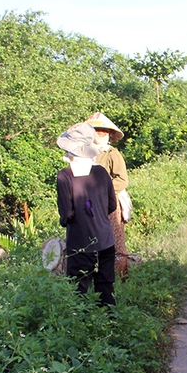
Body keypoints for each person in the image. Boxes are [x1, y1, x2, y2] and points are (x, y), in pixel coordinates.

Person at [56, 122, 118, 306]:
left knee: (79, 291)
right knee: (106, 288)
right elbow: (112, 205)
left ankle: (82, 329)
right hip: (106, 240)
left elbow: (66, 214)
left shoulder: (65, 176)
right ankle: (111, 325)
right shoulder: (101, 172)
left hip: (80, 242)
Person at [85, 112, 131, 277]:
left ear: (109, 133)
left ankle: (120, 279)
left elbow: (122, 180)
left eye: (104, 130)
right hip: (88, 202)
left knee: (115, 241)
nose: (101, 133)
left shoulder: (111, 153)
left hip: (109, 202)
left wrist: (103, 192)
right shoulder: (86, 153)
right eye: (97, 129)